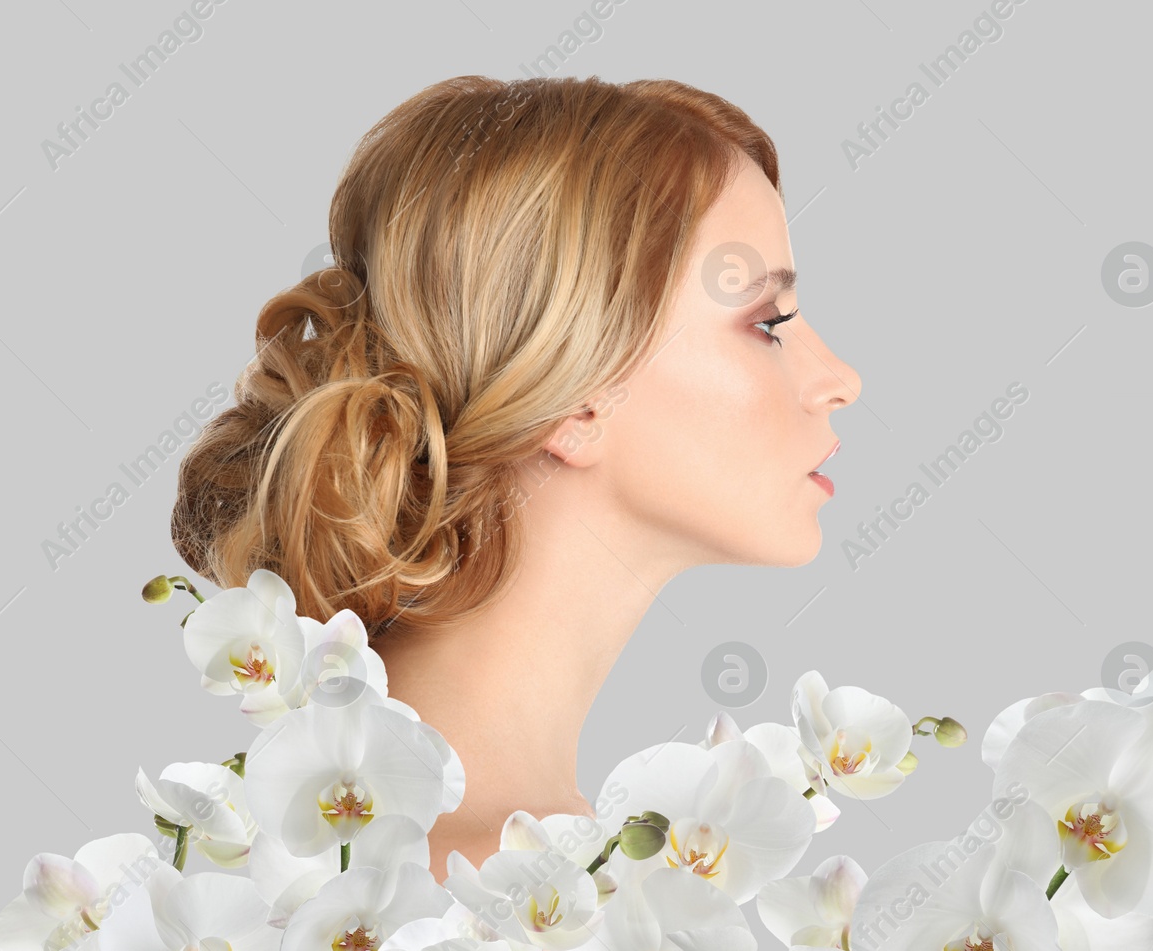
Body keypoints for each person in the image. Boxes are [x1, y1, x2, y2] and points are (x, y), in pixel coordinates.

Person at [170, 74, 861, 882]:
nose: (840, 379)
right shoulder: (483, 896)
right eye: (768, 324)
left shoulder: (382, 867)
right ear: (574, 398)